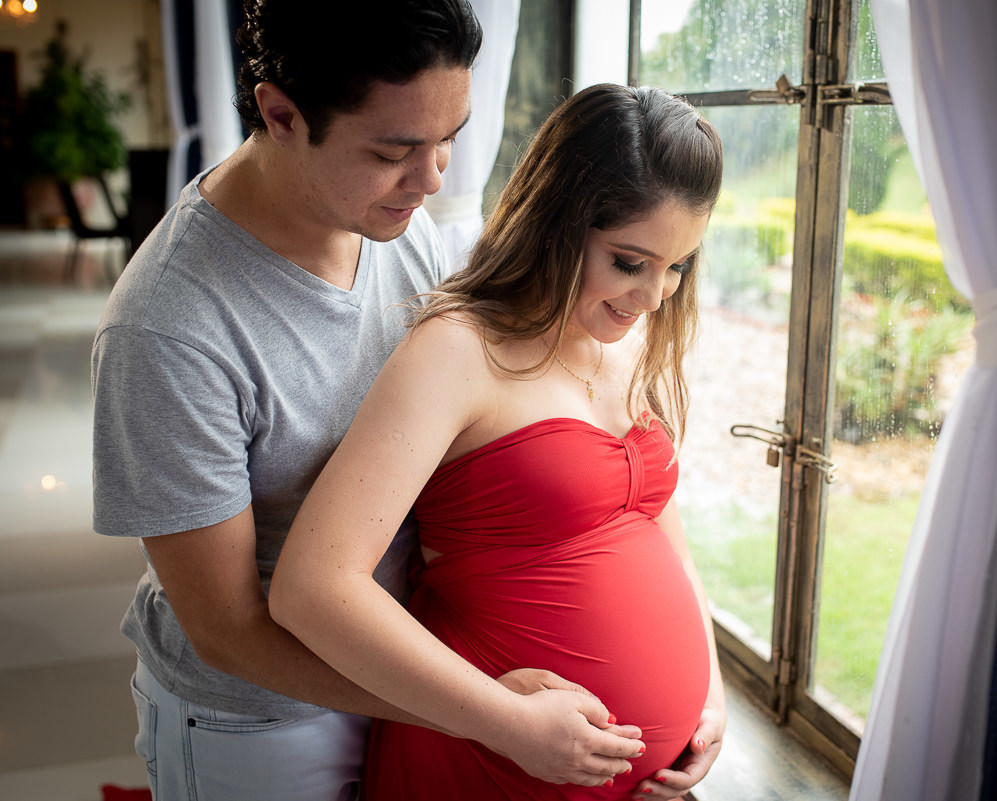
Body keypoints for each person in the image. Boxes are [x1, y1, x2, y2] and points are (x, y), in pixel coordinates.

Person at [90, 2, 647, 799]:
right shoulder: (168, 329)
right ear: (281, 113)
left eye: (448, 139)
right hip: (262, 722)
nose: (430, 180)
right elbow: (227, 629)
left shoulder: (399, 226)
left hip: (414, 675)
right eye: (394, 151)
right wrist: (483, 712)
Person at [269, 83, 728, 800]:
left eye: (679, 265)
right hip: (492, 763)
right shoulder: (457, 350)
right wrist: (506, 722)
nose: (654, 296)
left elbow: (661, 530)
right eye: (630, 262)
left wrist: (709, 695)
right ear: (556, 223)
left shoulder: (625, 345)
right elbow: (312, 588)